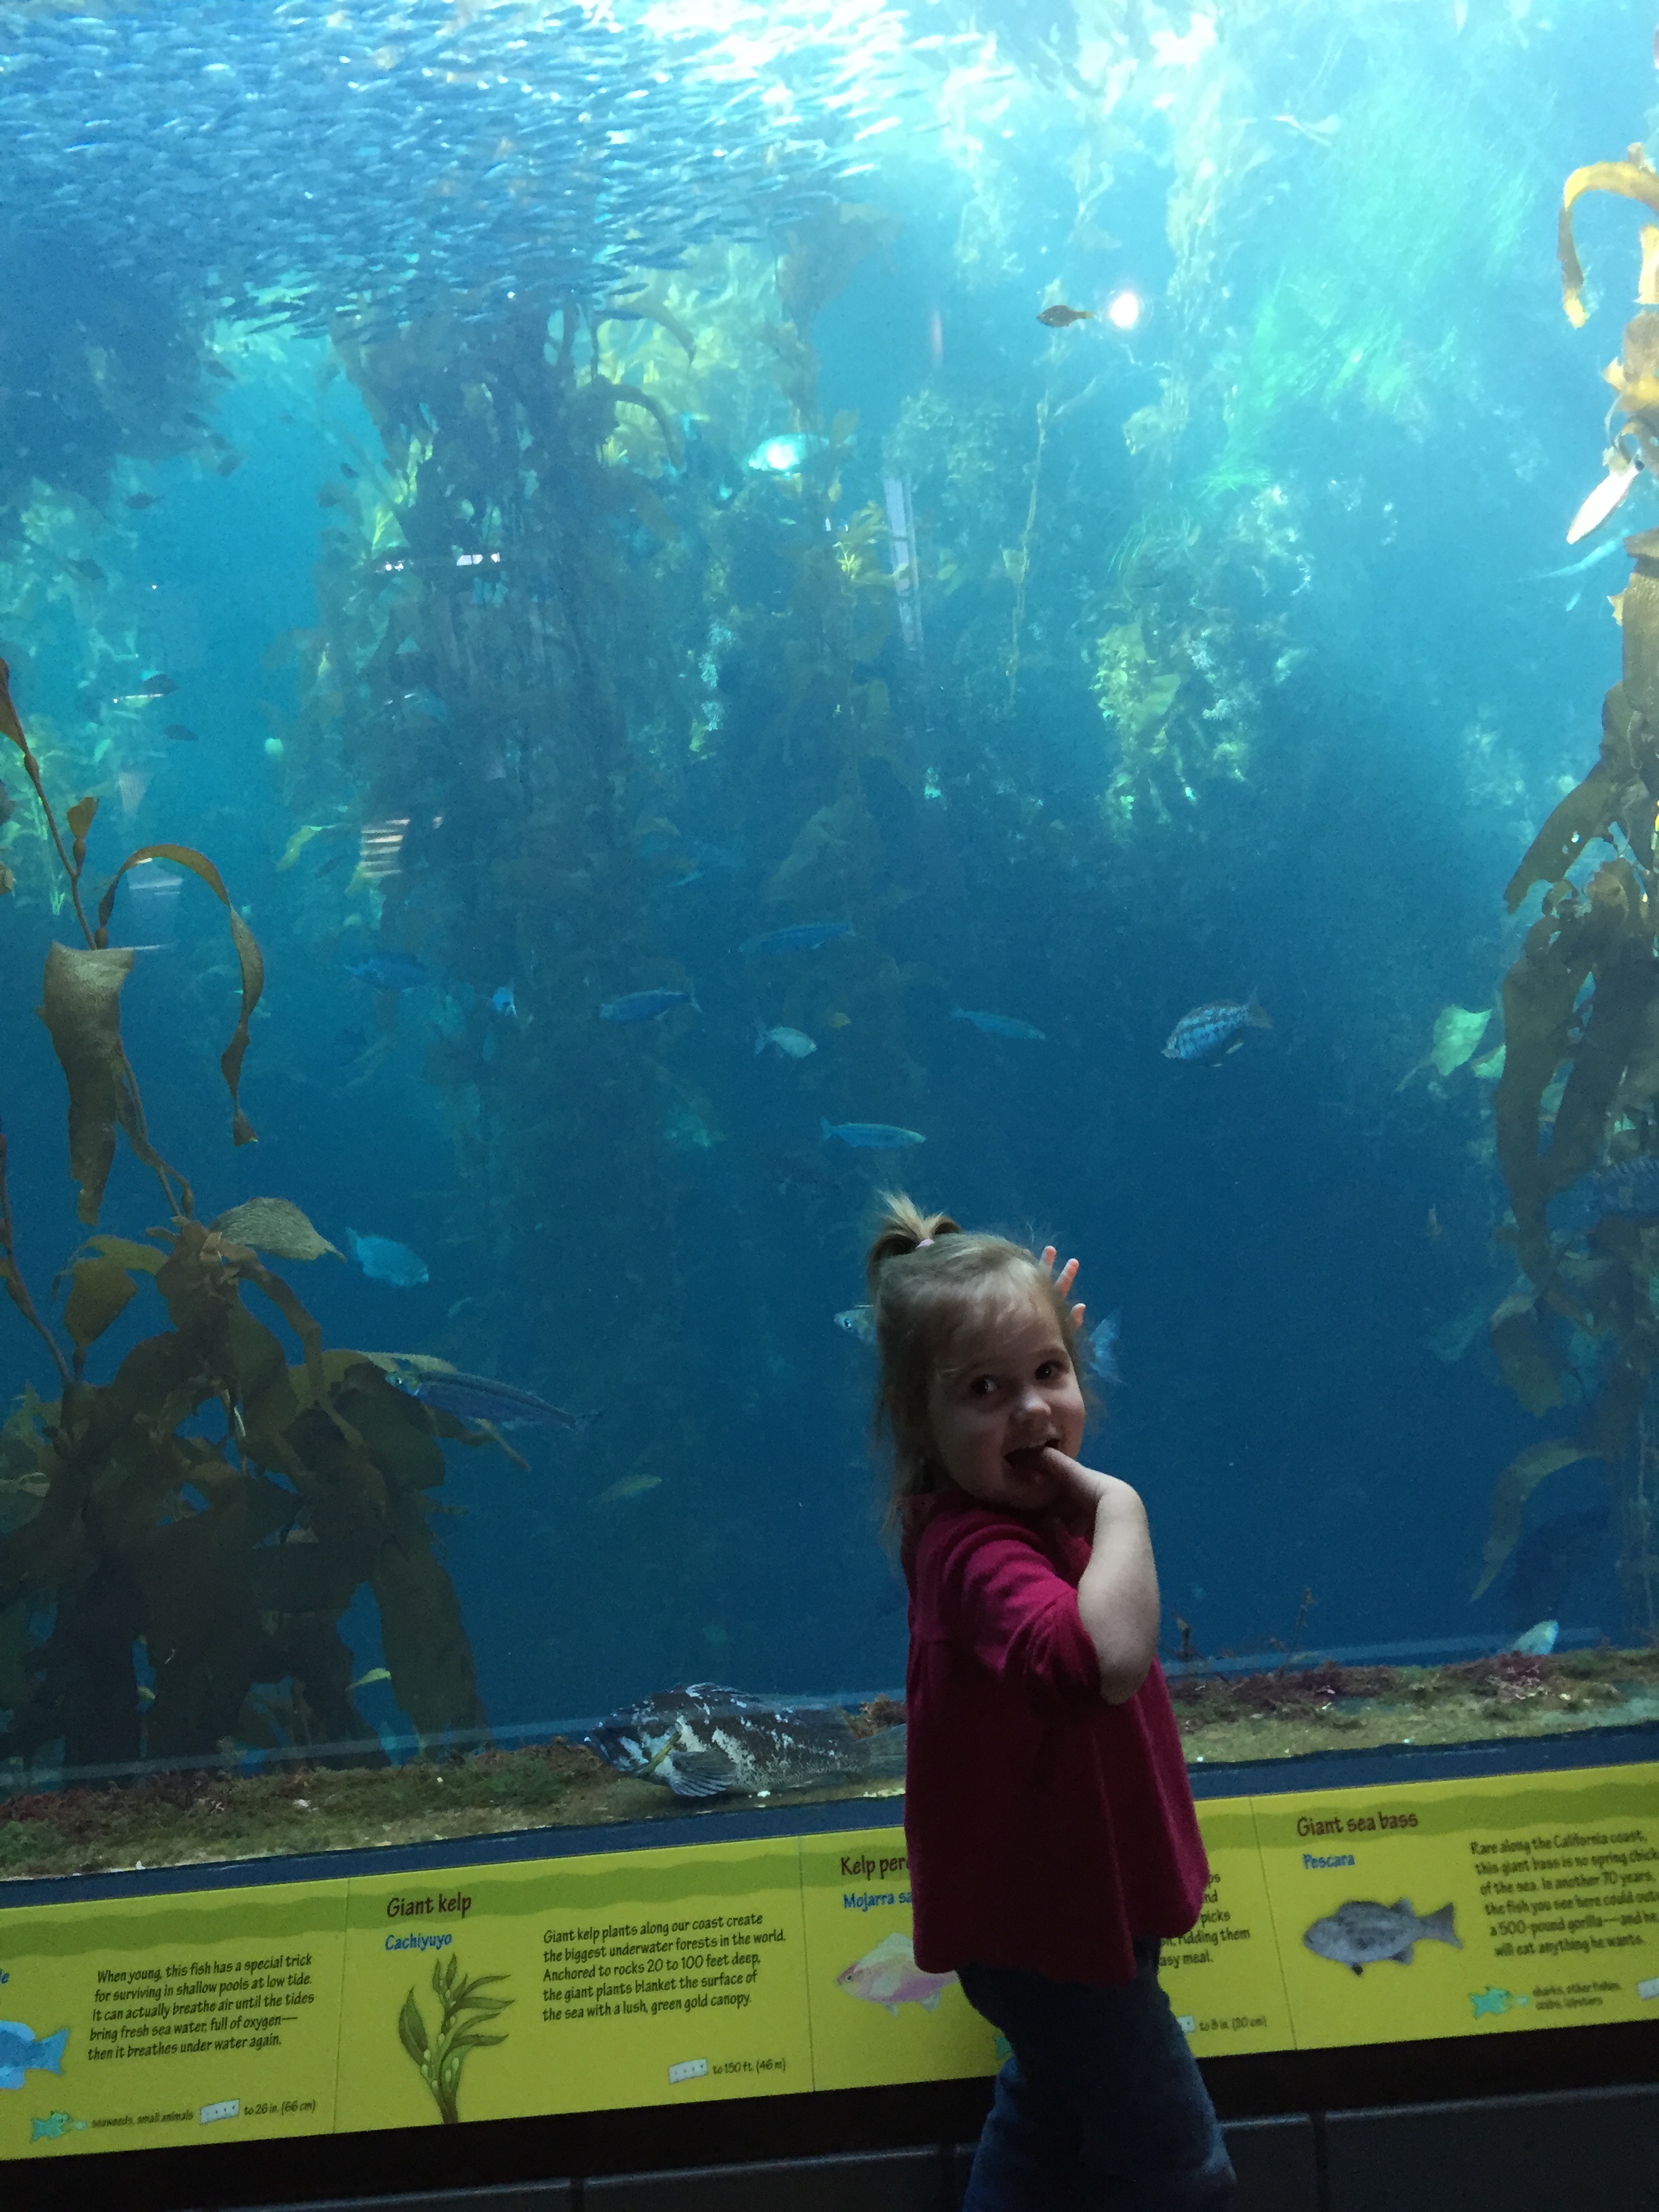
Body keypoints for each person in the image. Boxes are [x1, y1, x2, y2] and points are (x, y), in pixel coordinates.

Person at [865, 1193, 1235, 2212]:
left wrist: (1020, 1344)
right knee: (1181, 2167)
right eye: (984, 1389)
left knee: (1047, 2120)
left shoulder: (1016, 1513)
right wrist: (1122, 1504)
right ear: (917, 1416)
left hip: (1066, 1911)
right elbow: (1100, 1661)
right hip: (1053, 1931)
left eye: (1049, 1372)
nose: (1031, 1411)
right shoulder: (977, 1551)